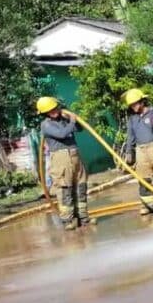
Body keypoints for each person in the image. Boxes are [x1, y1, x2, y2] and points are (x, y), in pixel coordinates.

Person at [37, 96, 91, 230]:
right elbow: (62, 134)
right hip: (61, 158)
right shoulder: (46, 124)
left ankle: (83, 217)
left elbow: (79, 129)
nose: (53, 112)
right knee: (65, 188)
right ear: (45, 113)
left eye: (55, 108)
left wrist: (74, 119)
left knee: (80, 186)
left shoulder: (64, 119)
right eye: (50, 111)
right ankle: (68, 220)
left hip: (74, 155)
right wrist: (72, 122)